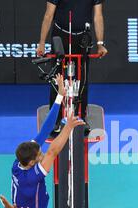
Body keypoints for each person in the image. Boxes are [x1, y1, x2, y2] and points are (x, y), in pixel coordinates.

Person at [12, 74, 84, 208]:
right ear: (33, 162)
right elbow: (52, 152)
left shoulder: (18, 164)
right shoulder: (32, 178)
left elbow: (45, 132)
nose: (41, 152)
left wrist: (60, 96)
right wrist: (68, 127)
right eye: (39, 155)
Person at [36, 0, 108, 131]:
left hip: (82, 38)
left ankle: (81, 118)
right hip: (60, 36)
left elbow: (98, 16)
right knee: (57, 78)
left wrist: (100, 43)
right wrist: (41, 43)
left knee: (83, 79)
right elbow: (48, 15)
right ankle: (55, 120)